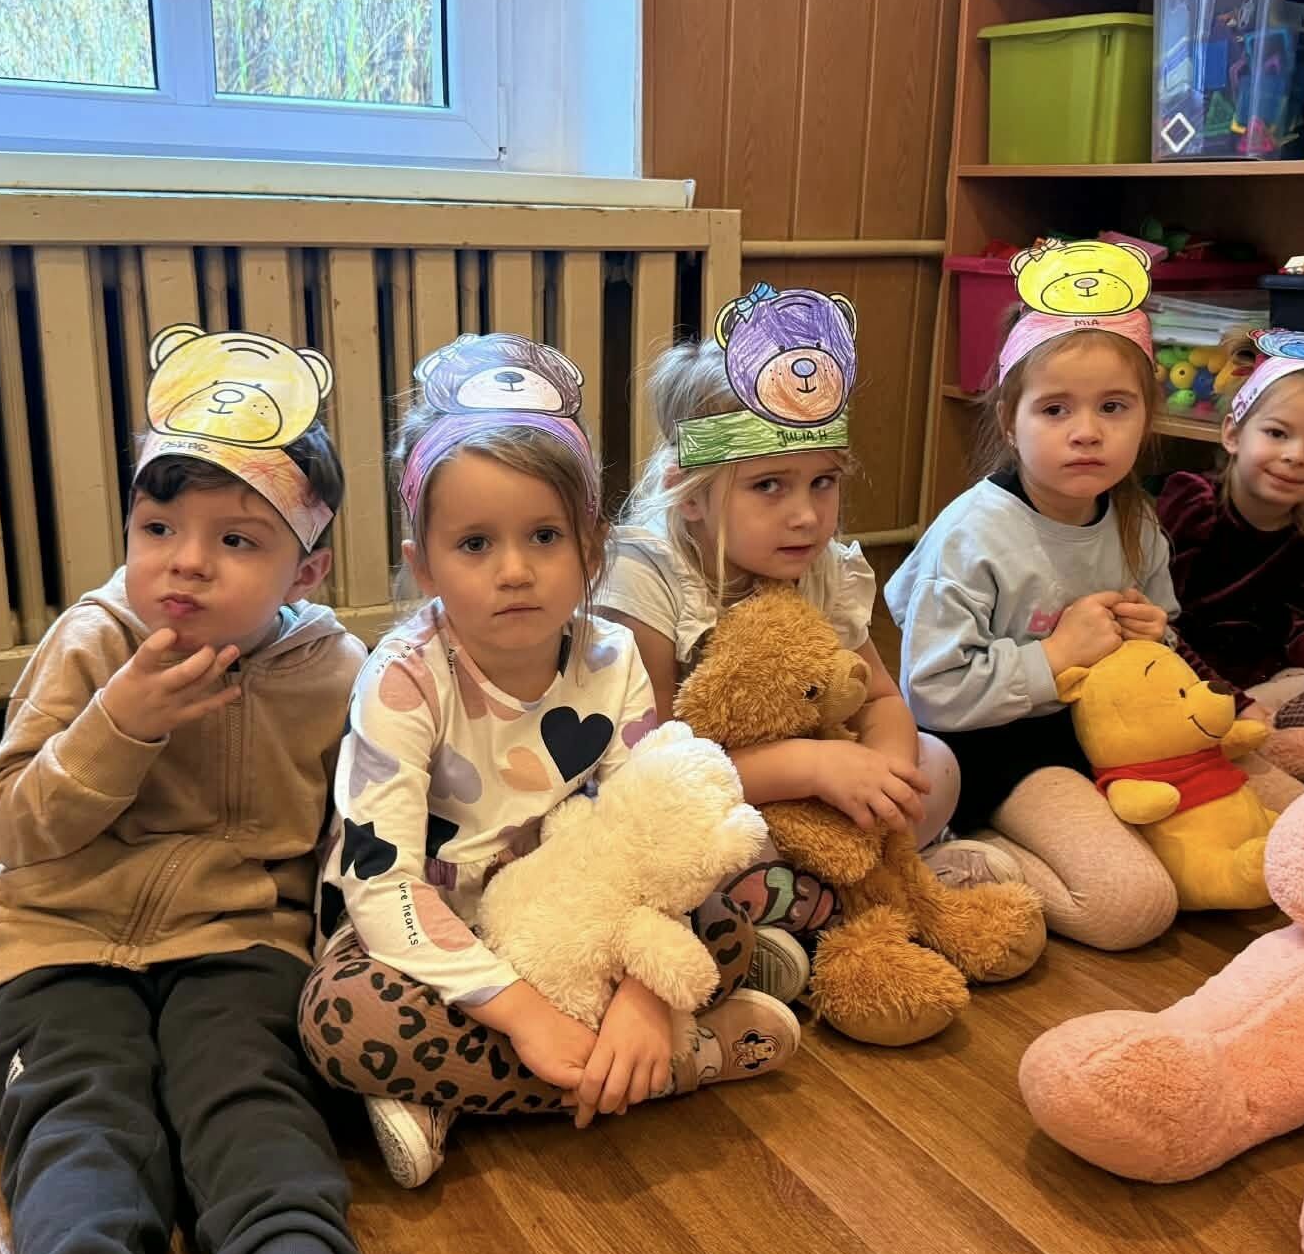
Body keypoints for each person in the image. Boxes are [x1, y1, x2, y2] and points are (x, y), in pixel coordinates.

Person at [300, 334, 796, 1191]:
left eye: (544, 536)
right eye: (474, 544)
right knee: (340, 1019)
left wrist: (643, 991)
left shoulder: (612, 657)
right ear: (423, 566)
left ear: (592, 550)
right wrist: (521, 1013)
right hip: (433, 941)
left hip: (578, 920)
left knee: (721, 919)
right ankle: (686, 1061)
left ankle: (457, 1090)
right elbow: (382, 888)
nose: (515, 571)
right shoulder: (403, 680)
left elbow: (652, 828)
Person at [0, 323, 372, 1254]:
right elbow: (10, 821)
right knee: (78, 1117)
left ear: (307, 569)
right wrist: (120, 722)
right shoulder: (93, 639)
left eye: (237, 541)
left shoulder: (337, 669)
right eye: (157, 527)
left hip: (239, 941)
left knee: (253, 1097)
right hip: (58, 942)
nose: (185, 562)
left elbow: (362, 834)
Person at [600, 285, 981, 1003]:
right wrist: (808, 766)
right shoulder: (649, 575)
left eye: (823, 483)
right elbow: (648, 766)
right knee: (706, 852)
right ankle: (818, 915)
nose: (806, 515)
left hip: (819, 796)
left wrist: (883, 779)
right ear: (691, 495)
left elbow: (881, 700)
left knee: (939, 762)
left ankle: (825, 901)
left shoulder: (826, 568)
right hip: (713, 797)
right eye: (770, 486)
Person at [884, 242, 1183, 950]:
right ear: (1008, 421)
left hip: (1102, 735)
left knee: (1229, 840)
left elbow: (1167, 631)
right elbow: (930, 693)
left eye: (1114, 407)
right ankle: (948, 855)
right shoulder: (973, 536)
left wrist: (1157, 638)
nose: (1087, 432)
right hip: (992, 749)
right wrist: (1055, 655)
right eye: (1055, 409)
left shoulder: (1137, 521)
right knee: (1134, 906)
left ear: (1146, 418)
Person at [1157, 331, 1304, 714]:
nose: (1295, 455)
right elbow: (1155, 619)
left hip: (1265, 688)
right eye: (1277, 433)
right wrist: (1229, 703)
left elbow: (1303, 637)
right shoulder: (1193, 504)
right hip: (1173, 675)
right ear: (1233, 434)